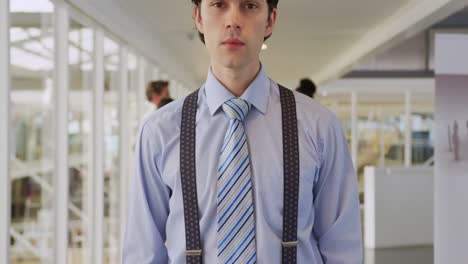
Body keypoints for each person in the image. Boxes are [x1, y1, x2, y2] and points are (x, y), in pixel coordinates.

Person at [123, 0, 362, 263]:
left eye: (249, 5)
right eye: (218, 4)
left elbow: (342, 249)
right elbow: (143, 252)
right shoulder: (160, 131)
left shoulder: (319, 126)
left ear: (270, 20)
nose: (233, 20)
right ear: (198, 18)